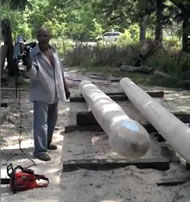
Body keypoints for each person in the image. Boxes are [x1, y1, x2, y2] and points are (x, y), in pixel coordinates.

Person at [25, 27, 70, 161]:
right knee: (41, 123)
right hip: (41, 93)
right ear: (37, 37)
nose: (42, 38)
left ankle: (47, 142)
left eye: (45, 35)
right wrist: (27, 62)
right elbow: (33, 75)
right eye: (39, 35)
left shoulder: (54, 51)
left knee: (52, 120)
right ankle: (39, 150)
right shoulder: (33, 54)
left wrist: (65, 87)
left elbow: (60, 71)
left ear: (49, 37)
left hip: (55, 92)